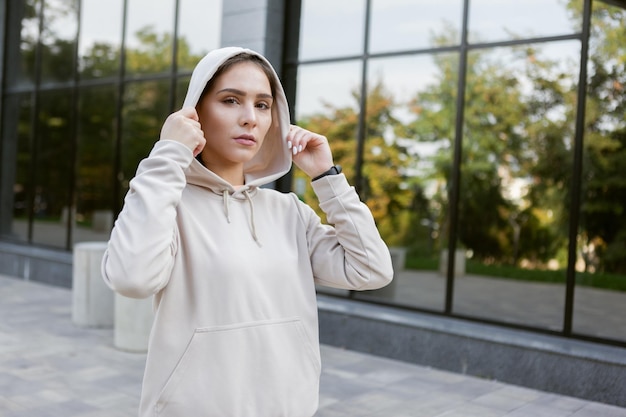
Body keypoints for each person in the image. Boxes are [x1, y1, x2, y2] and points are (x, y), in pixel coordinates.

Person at [101, 46, 393, 417]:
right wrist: (169, 153)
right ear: (196, 112)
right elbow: (131, 279)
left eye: (262, 105)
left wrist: (326, 178)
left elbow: (372, 269)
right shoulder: (165, 204)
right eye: (230, 100)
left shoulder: (289, 212)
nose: (249, 118)